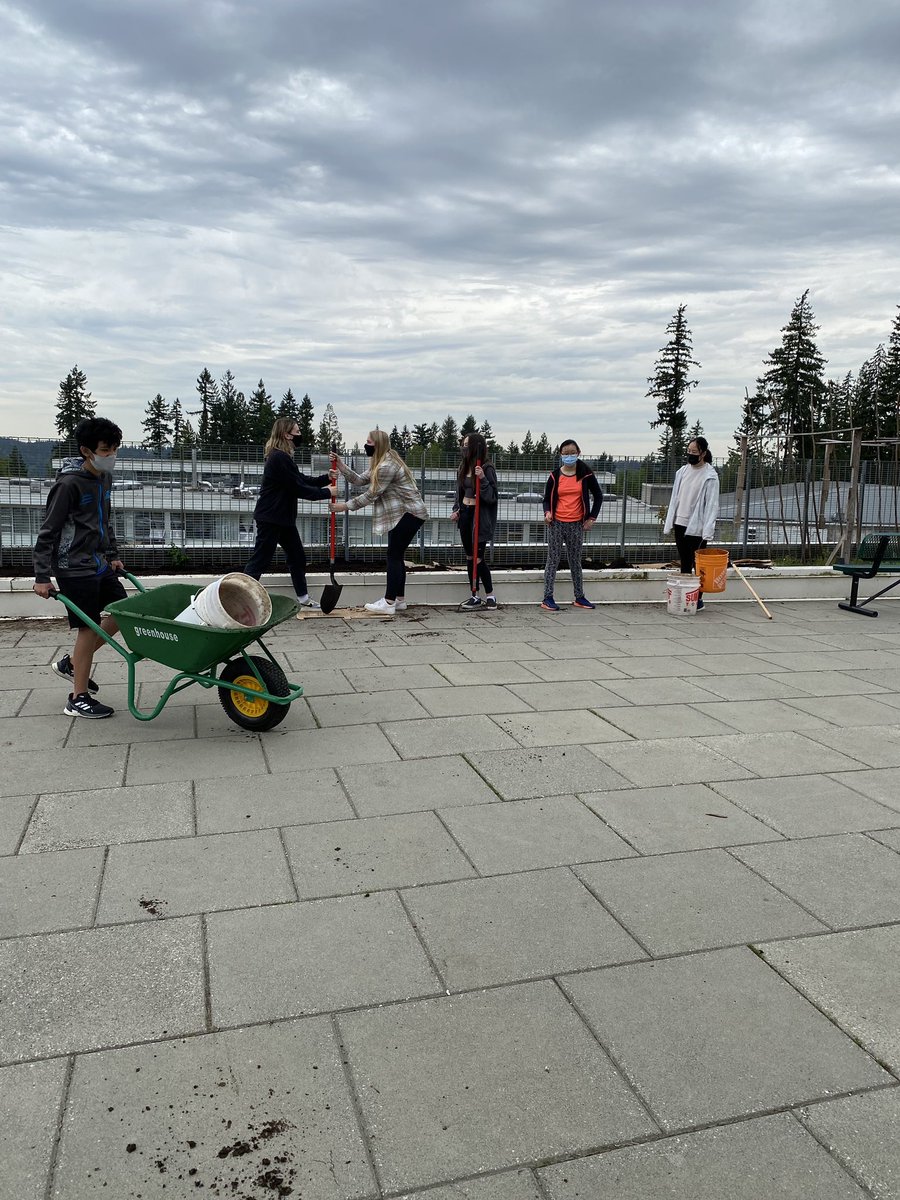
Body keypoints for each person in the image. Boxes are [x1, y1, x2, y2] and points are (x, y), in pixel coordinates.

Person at [33, 417, 127, 718]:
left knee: (124, 611)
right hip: (72, 566)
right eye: (104, 449)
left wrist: (111, 554)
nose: (111, 455)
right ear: (87, 451)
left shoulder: (104, 478)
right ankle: (78, 697)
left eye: (114, 449)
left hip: (97, 563)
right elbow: (49, 530)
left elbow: (105, 520)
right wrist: (41, 576)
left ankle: (72, 664)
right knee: (89, 628)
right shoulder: (69, 484)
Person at [331, 429, 428, 614]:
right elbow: (360, 480)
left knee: (393, 556)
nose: (366, 445)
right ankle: (399, 600)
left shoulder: (386, 466)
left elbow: (371, 494)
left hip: (410, 514)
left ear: (378, 445)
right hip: (402, 515)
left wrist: (345, 507)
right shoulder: (380, 461)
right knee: (396, 556)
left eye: (369, 442)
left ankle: (389, 602)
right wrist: (341, 465)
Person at [245, 417, 335, 612]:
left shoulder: (283, 457)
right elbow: (298, 488)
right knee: (260, 561)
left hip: (282, 519)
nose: (299, 435)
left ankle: (303, 598)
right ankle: (240, 599)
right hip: (271, 518)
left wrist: (325, 479)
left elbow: (300, 479)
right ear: (286, 435)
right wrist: (328, 493)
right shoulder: (278, 457)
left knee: (297, 557)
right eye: (297, 432)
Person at [541, 439, 603, 611]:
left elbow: (598, 495)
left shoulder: (585, 474)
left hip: (576, 524)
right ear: (560, 455)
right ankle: (547, 597)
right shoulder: (554, 476)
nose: (569, 456)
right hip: (556, 523)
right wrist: (547, 513)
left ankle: (579, 596)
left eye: (572, 452)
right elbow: (546, 499)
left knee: (575, 560)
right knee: (553, 559)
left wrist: (591, 518)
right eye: (565, 453)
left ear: (578, 452)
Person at [663, 436, 720, 611]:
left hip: (698, 526)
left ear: (703, 453)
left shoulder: (710, 476)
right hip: (681, 521)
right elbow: (676, 498)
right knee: (685, 561)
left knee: (699, 564)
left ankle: (698, 598)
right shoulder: (682, 472)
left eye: (694, 452)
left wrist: (708, 529)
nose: (690, 455)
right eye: (689, 451)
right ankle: (686, 596)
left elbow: (712, 505)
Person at [451, 432, 498, 610]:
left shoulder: (486, 468)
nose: (464, 448)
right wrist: (456, 510)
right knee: (470, 557)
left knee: (478, 558)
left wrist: (482, 479)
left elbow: (492, 497)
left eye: (467, 445)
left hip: (480, 516)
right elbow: (459, 492)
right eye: (462, 444)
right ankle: (474, 595)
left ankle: (490, 595)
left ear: (476, 447)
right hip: (465, 513)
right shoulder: (463, 466)